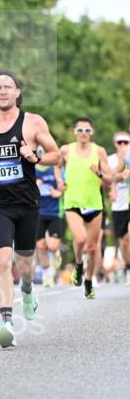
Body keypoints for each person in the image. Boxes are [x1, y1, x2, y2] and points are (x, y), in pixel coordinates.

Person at [0, 71, 60, 349]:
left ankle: (27, 289)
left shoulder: (33, 122)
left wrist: (35, 156)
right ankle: (6, 321)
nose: (2, 92)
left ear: (17, 92)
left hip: (27, 203)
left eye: (7, 87)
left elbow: (56, 155)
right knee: (2, 261)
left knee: (24, 263)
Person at [60, 117, 112, 300]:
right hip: (72, 202)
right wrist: (59, 180)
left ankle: (89, 282)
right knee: (80, 238)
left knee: (92, 248)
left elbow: (109, 179)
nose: (84, 133)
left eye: (87, 130)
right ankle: (79, 265)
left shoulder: (99, 151)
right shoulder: (66, 150)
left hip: (94, 204)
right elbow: (56, 166)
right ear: (75, 132)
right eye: (80, 130)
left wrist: (98, 172)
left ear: (92, 132)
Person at [35, 162, 64, 288]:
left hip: (54, 212)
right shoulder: (32, 169)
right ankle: (47, 275)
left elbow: (65, 185)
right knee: (40, 246)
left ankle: (56, 252)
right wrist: (34, 187)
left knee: (52, 246)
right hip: (37, 213)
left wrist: (59, 192)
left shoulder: (56, 169)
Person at [108, 130, 130, 283]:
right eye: (120, 142)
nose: (123, 145)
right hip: (119, 205)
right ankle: (128, 267)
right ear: (115, 144)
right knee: (124, 241)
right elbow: (111, 176)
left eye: (126, 142)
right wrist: (119, 178)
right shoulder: (117, 158)